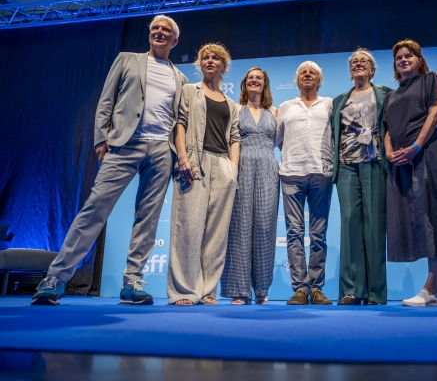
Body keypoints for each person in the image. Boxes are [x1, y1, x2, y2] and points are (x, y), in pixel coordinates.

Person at [31, 15, 187, 306]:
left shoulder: (180, 77)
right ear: (149, 35)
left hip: (161, 151)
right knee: (95, 209)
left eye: (166, 30)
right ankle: (56, 278)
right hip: (124, 144)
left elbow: (178, 119)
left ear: (175, 40)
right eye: (155, 28)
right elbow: (106, 100)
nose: (159, 32)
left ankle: (132, 281)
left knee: (148, 219)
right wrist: (101, 137)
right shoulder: (127, 60)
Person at [383, 39, 437, 307]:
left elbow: (434, 114)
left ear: (419, 60)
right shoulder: (391, 95)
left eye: (409, 56)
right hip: (401, 163)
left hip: (426, 155)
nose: (404, 60)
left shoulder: (429, 79)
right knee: (417, 219)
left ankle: (430, 289)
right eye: (399, 58)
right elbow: (385, 130)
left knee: (434, 215)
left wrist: (416, 146)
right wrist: (388, 153)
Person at [167, 43, 240, 306]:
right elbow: (181, 123)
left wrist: (233, 169)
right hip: (193, 162)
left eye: (215, 58)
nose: (210, 61)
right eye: (205, 58)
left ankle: (208, 290)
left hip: (222, 166)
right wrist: (183, 158)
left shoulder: (232, 104)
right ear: (200, 64)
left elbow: (234, 137)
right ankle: (185, 291)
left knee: (216, 233)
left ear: (224, 66)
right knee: (188, 228)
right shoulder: (189, 91)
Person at [331, 49, 393, 306]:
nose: (358, 64)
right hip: (346, 166)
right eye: (354, 62)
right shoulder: (339, 101)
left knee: (374, 226)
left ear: (372, 70)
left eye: (363, 62)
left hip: (374, 163)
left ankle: (376, 293)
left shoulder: (386, 94)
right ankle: (352, 290)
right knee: (349, 224)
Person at [275, 61, 334, 305]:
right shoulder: (285, 107)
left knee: (318, 234)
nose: (307, 75)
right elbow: (279, 139)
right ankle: (300, 288)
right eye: (303, 73)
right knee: (294, 233)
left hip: (322, 173)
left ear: (319, 80)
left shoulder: (330, 104)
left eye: (312, 73)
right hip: (291, 174)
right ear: (297, 80)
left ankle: (316, 288)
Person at [220, 68, 279, 305]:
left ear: (265, 84)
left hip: (267, 168)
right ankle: (239, 290)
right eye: (250, 78)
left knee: (265, 228)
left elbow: (282, 141)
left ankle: (262, 289)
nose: (254, 80)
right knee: (239, 227)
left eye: (259, 78)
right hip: (241, 165)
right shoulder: (234, 109)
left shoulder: (275, 112)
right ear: (245, 84)